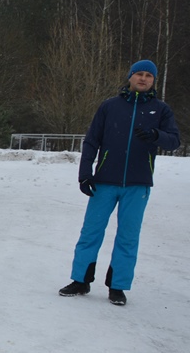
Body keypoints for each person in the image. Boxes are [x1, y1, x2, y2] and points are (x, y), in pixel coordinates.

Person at [59, 59, 180, 306]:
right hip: (104, 182)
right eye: (139, 74)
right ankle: (80, 280)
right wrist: (85, 173)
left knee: (128, 236)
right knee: (91, 232)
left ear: (153, 80)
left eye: (149, 75)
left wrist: (156, 135)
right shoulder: (110, 106)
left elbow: (174, 141)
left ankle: (117, 286)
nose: (143, 78)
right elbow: (92, 140)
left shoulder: (161, 110)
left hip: (138, 184)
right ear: (130, 77)